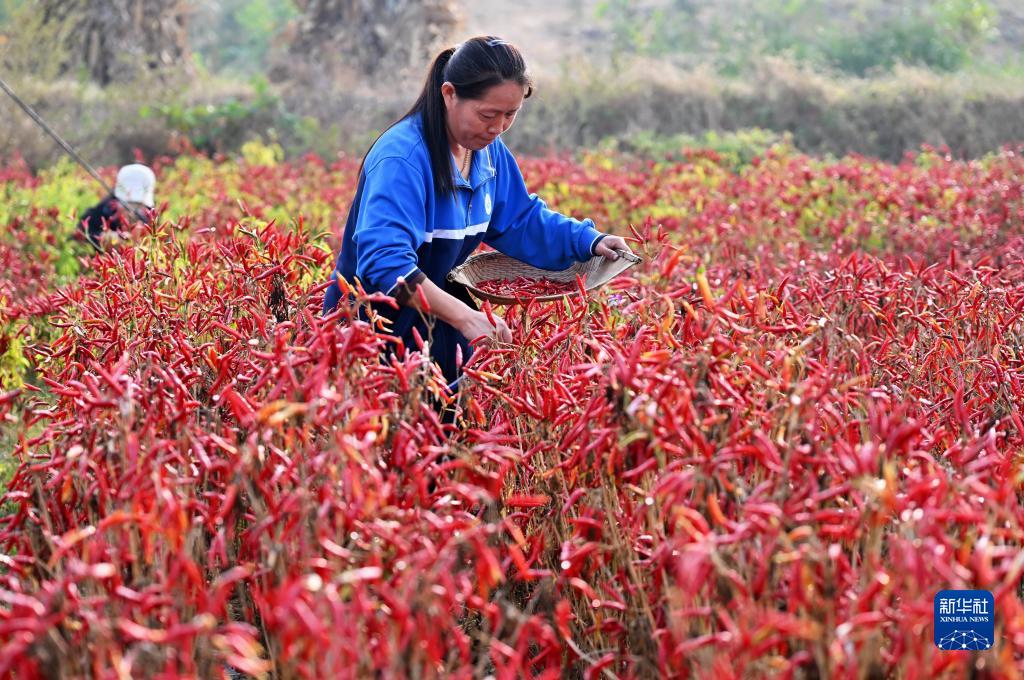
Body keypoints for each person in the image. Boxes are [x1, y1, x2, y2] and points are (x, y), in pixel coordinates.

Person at [323, 36, 633, 388]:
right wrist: (467, 319)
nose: (497, 128)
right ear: (449, 94)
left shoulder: (488, 153)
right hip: (370, 333)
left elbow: (521, 220)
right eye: (487, 114)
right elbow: (386, 266)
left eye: (510, 115)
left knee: (449, 429)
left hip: (437, 325)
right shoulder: (403, 159)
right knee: (388, 429)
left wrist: (590, 241)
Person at [77, 164, 156, 250]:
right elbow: (81, 233)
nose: (132, 211)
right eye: (129, 203)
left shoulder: (149, 214)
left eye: (138, 204)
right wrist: (104, 238)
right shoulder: (104, 210)